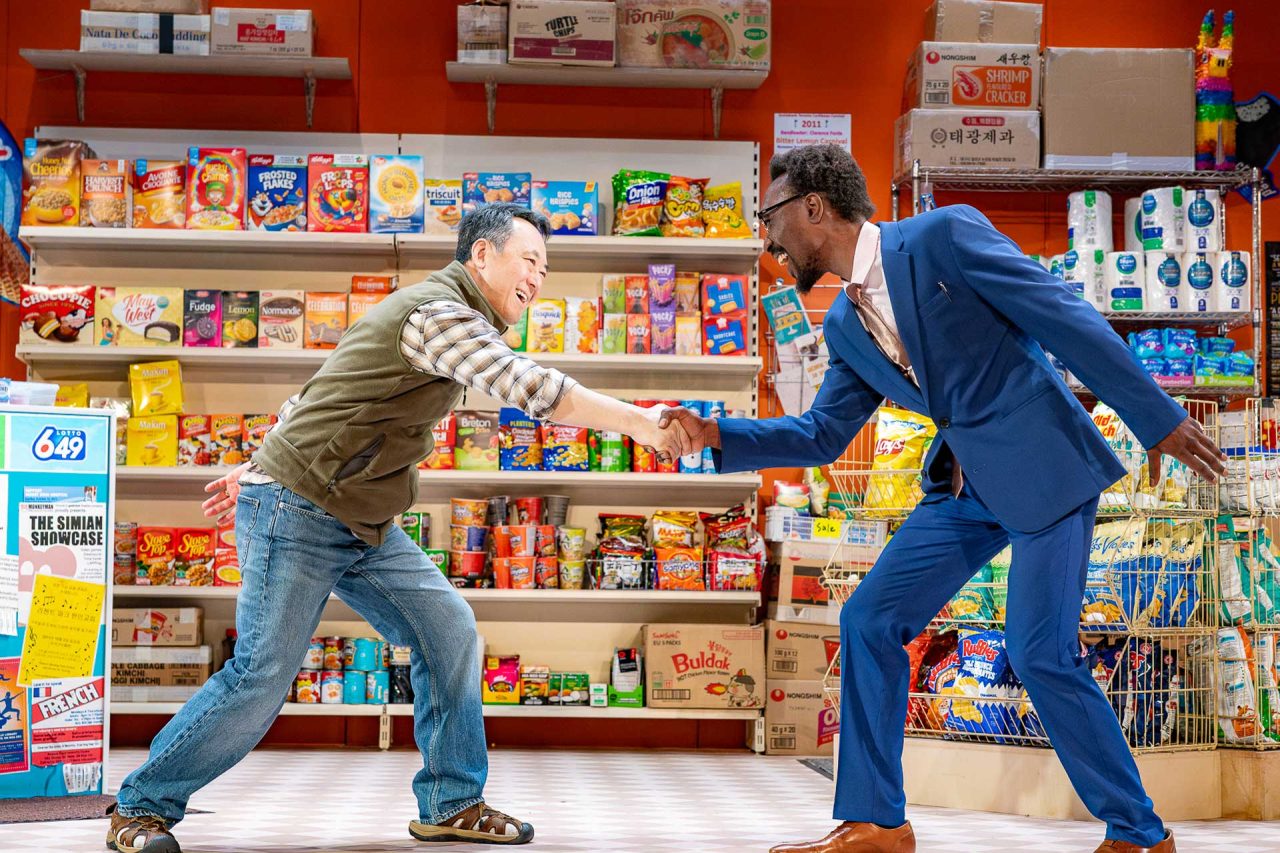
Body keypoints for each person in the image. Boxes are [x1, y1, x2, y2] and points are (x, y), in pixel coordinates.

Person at [660, 145, 1226, 853]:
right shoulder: (843, 324)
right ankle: (878, 822)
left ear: (814, 207)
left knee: (1039, 651)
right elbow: (821, 433)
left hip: (1046, 465)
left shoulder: (943, 235)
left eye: (769, 216)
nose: (767, 238)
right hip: (963, 486)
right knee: (870, 618)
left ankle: (1139, 834)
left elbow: (1061, 316)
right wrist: (715, 432)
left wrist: (1156, 417)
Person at [107, 204, 691, 853]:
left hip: (362, 517)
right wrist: (641, 422)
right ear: (482, 257)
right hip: (299, 508)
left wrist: (256, 456)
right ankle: (141, 805)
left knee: (449, 631)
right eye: (529, 259)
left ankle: (452, 799)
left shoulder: (442, 316)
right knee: (262, 673)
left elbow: (322, 392)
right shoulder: (441, 314)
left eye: (546, 269)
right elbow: (530, 385)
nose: (538, 277)